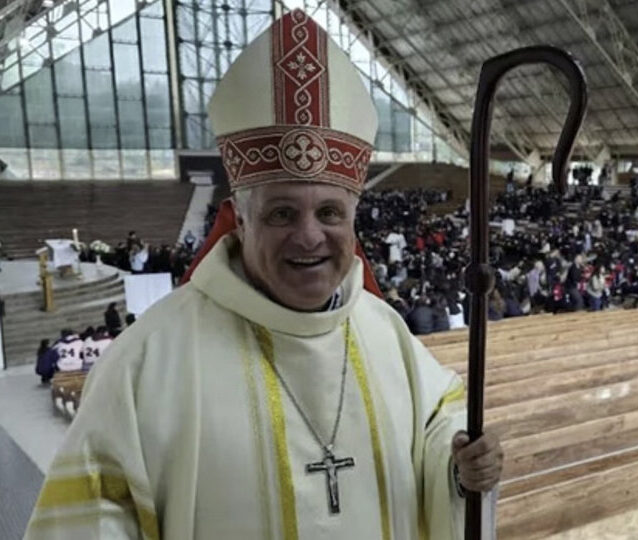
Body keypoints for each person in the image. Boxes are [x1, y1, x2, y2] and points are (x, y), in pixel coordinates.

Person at [27, 13, 502, 539]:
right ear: (241, 219)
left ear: (353, 219)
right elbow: (92, 518)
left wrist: (459, 469)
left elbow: (441, 424)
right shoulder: (146, 362)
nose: (309, 236)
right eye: (282, 214)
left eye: (329, 213)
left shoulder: (384, 332)